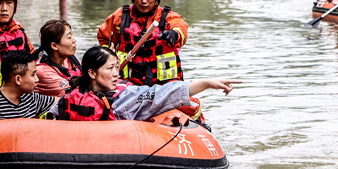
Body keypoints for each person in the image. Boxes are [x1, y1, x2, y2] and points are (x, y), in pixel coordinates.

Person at [58, 46, 239, 122]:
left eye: (117, 67)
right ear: (91, 73)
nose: (116, 73)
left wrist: (206, 83)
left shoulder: (126, 95)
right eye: (110, 68)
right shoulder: (71, 96)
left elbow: (165, 92)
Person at [97, 0, 189, 86]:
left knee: (189, 105)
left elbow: (180, 27)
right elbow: (104, 38)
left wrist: (174, 34)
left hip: (164, 86)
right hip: (128, 85)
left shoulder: (168, 17)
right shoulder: (119, 17)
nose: (144, 0)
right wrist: (109, 56)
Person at [33, 20, 81, 97]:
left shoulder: (71, 60)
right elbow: (74, 95)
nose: (74, 40)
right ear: (54, 46)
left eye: (72, 35)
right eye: (69, 37)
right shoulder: (43, 72)